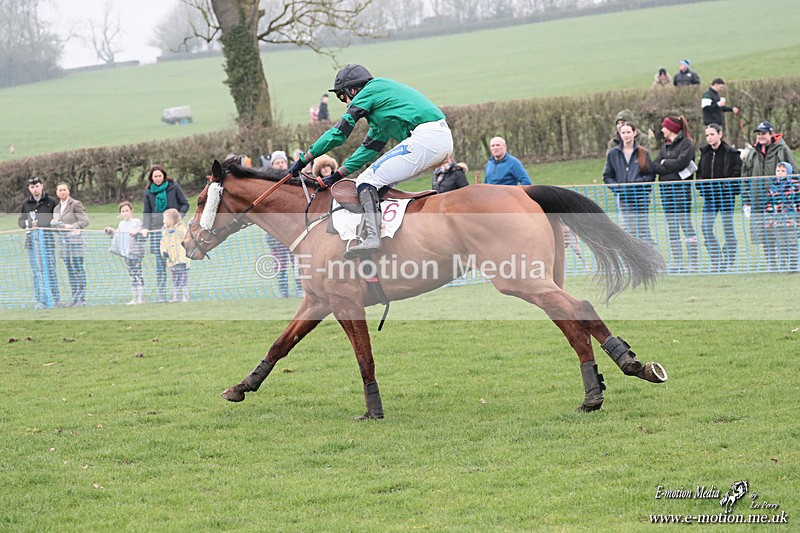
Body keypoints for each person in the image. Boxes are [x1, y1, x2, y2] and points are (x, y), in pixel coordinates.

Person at [289, 64, 453, 258]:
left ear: (353, 90)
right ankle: (394, 233)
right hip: (437, 139)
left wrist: (305, 158)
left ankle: (373, 238)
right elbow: (367, 150)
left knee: (366, 181)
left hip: (426, 139)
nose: (345, 102)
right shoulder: (381, 111)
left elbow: (338, 133)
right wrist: (338, 175)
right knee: (377, 182)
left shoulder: (370, 91)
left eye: (343, 96)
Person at [742, 120, 798, 262]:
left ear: (771, 134)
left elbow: (794, 172)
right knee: (764, 233)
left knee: (785, 233)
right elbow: (745, 178)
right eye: (759, 134)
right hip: (759, 201)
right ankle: (771, 262)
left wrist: (792, 193)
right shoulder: (752, 153)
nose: (760, 137)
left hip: (780, 201)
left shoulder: (782, 149)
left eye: (764, 133)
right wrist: (746, 201)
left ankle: (788, 262)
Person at [651, 115, 699, 273]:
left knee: (685, 225)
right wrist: (669, 167)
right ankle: (678, 260)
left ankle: (693, 260)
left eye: (664, 127)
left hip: (681, 192)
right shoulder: (665, 147)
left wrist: (666, 164)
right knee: (672, 227)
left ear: (671, 129)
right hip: (666, 192)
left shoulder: (686, 145)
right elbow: (655, 166)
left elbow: (682, 163)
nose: (662, 130)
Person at [696, 123, 742, 272]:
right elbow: (700, 173)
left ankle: (729, 259)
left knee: (727, 227)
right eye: (707, 135)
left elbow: (737, 172)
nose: (709, 138)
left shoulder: (731, 153)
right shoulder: (704, 153)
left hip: (726, 196)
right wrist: (702, 188)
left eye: (712, 134)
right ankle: (716, 258)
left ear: (720, 134)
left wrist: (727, 187)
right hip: (710, 197)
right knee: (706, 227)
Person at [141, 164, 189, 303]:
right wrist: (145, 227)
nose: (157, 179)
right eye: (155, 176)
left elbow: (185, 204)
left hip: (174, 231)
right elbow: (147, 212)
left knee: (178, 264)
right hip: (157, 231)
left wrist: (176, 219)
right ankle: (162, 295)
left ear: (164, 176)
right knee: (160, 263)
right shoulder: (149, 192)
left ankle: (181, 294)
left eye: (159, 176)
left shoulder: (173, 187)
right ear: (151, 178)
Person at [602, 121, 654, 243]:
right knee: (629, 230)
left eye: (628, 132)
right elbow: (607, 176)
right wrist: (618, 188)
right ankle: (631, 259)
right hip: (624, 198)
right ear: (619, 134)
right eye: (623, 132)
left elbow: (651, 175)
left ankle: (649, 258)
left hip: (641, 198)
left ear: (634, 133)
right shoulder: (613, 154)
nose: (626, 135)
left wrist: (638, 184)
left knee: (643, 230)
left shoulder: (643, 152)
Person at [17, 176, 61, 308]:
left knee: (51, 269)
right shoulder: (26, 203)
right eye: (32, 187)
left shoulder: (51, 201)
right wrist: (28, 224)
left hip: (47, 241)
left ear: (41, 186)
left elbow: (57, 219)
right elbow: (20, 221)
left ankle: (56, 299)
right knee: (36, 271)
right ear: (29, 189)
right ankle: (40, 300)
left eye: (37, 186)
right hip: (32, 242)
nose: (35, 189)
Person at [268, 151, 304, 298]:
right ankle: (283, 292)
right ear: (272, 165)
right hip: (275, 232)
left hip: (294, 229)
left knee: (297, 261)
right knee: (280, 263)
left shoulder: (294, 180)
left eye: (282, 161)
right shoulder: (268, 183)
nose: (280, 164)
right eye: (277, 162)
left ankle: (301, 289)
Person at [51, 182, 90, 306]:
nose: (62, 192)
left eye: (64, 190)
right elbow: (57, 225)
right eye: (60, 190)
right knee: (69, 270)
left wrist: (73, 226)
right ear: (57, 193)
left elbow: (84, 220)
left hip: (76, 242)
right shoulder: (56, 209)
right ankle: (75, 297)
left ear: (68, 191)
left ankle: (81, 298)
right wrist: (55, 225)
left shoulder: (75, 204)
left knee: (77, 268)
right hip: (64, 244)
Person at [105, 201, 145, 305]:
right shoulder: (121, 224)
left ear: (131, 211)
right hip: (126, 253)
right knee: (132, 275)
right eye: (123, 211)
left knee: (138, 274)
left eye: (127, 210)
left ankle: (141, 298)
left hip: (136, 252)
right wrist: (110, 231)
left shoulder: (136, 222)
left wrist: (137, 231)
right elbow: (117, 235)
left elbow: (142, 231)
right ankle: (134, 298)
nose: (125, 213)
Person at [763, 162, 799, 271]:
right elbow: (768, 203)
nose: (780, 173)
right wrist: (769, 218)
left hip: (791, 220)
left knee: (792, 242)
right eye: (778, 171)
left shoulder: (795, 185)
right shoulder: (773, 186)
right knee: (781, 243)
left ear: (788, 172)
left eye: (783, 171)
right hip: (777, 221)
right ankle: (782, 265)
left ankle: (793, 265)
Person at [160, 208, 191, 302]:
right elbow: (163, 242)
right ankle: (176, 296)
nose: (163, 221)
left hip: (181, 258)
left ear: (171, 219)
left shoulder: (181, 228)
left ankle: (185, 296)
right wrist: (164, 251)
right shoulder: (164, 231)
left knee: (182, 277)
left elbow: (186, 237)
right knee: (175, 278)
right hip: (171, 259)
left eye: (165, 218)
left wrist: (174, 230)